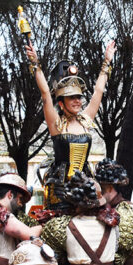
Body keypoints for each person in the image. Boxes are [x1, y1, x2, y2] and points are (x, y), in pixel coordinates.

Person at [25, 41, 115, 210]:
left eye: (79, 97)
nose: (77, 101)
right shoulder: (56, 124)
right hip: (60, 190)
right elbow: (45, 93)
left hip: (86, 186)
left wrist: (106, 62)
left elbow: (98, 92)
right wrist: (35, 64)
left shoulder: (85, 119)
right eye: (72, 97)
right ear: (61, 103)